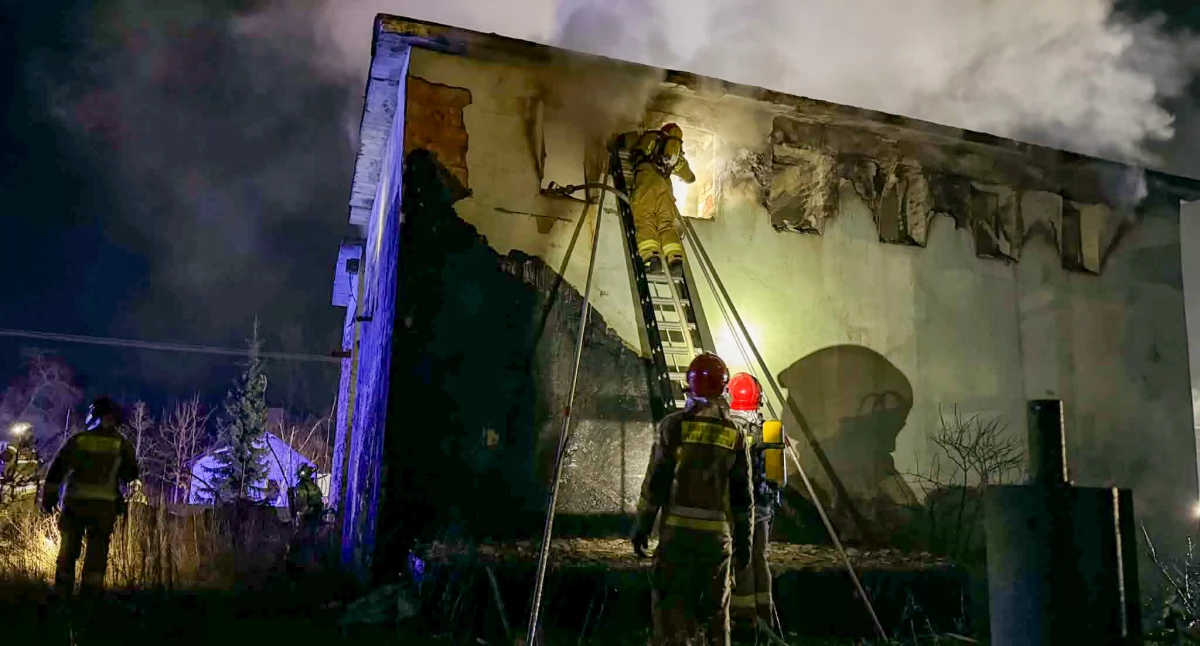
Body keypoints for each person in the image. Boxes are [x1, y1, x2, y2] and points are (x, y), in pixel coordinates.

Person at [632, 352, 754, 646]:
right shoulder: (735, 432)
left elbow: (656, 483)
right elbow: (743, 495)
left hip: (677, 539)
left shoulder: (673, 426)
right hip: (716, 544)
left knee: (671, 615)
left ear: (690, 389)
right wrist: (744, 543)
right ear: (723, 391)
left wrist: (642, 527)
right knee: (715, 617)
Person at [41, 396, 140, 601]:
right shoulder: (121, 444)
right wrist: (124, 500)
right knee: (97, 552)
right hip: (104, 507)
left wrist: (49, 499)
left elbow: (56, 471)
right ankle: (91, 596)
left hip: (75, 504)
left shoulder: (79, 440)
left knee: (68, 550)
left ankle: (62, 593)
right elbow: (131, 474)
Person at [726, 373, 787, 637]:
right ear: (758, 398)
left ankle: (743, 623)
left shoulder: (724, 429)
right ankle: (765, 617)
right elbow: (779, 479)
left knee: (738, 561)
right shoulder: (770, 430)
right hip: (762, 510)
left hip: (731, 508)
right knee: (759, 559)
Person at [626, 123, 696, 278]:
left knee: (645, 219)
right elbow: (690, 178)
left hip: (647, 181)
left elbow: (632, 148)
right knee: (666, 224)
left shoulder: (652, 137)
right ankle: (675, 258)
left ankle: (651, 257)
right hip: (666, 187)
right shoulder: (677, 155)